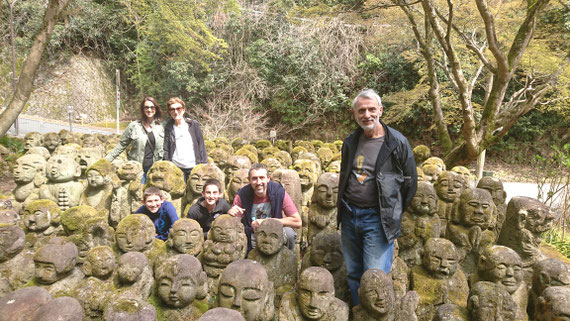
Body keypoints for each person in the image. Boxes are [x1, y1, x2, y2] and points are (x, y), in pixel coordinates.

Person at [337, 88, 417, 306]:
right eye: (361, 110)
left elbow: (410, 183)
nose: (367, 115)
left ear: (381, 110)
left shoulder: (397, 143)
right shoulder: (351, 141)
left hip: (378, 218)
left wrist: (392, 209)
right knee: (353, 273)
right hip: (350, 214)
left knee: (374, 276)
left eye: (372, 109)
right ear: (354, 114)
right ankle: (359, 311)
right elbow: (345, 175)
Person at [228, 163, 302, 251]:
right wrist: (231, 215)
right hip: (251, 235)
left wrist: (267, 222)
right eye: (254, 179)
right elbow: (234, 226)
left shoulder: (278, 192)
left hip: (274, 232)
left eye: (262, 178)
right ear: (249, 180)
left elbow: (297, 222)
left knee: (289, 233)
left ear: (268, 178)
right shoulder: (242, 195)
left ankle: (286, 257)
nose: (259, 182)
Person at [105, 97, 164, 183]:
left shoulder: (162, 126)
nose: (149, 110)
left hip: (155, 170)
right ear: (142, 109)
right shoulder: (134, 126)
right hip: (137, 169)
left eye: (152, 107)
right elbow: (121, 145)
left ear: (156, 109)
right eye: (146, 107)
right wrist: (106, 160)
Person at [163, 97, 207, 182]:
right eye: (172, 109)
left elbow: (201, 146)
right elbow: (166, 149)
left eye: (178, 108)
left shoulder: (193, 125)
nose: (176, 112)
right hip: (176, 168)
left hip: (194, 167)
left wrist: (203, 166)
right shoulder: (168, 127)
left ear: (183, 110)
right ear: (169, 112)